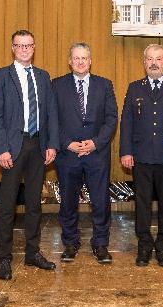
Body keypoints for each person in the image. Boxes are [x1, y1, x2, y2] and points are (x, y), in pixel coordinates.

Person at [0, 30, 59, 280]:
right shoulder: (0, 76)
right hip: (12, 147)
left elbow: (50, 114)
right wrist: (1, 148)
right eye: (19, 45)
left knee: (33, 205)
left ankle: (32, 252)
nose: (24, 49)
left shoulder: (43, 76)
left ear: (34, 47)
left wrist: (52, 144)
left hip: (38, 146)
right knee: (7, 206)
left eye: (28, 45)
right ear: (12, 48)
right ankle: (4, 258)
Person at [52, 43, 118, 264]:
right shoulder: (56, 85)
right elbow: (51, 120)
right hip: (67, 155)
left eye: (84, 58)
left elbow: (111, 119)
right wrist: (67, 143)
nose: (80, 62)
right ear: (70, 61)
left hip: (96, 154)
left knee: (100, 202)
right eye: (76, 58)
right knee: (68, 202)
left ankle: (100, 244)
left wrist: (95, 143)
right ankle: (70, 243)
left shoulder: (104, 85)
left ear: (90, 61)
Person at [119, 44, 163, 267]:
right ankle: (144, 245)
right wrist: (126, 151)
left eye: (158, 59)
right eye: (150, 59)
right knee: (142, 205)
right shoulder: (135, 88)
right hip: (141, 156)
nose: (154, 63)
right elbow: (127, 122)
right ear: (144, 63)